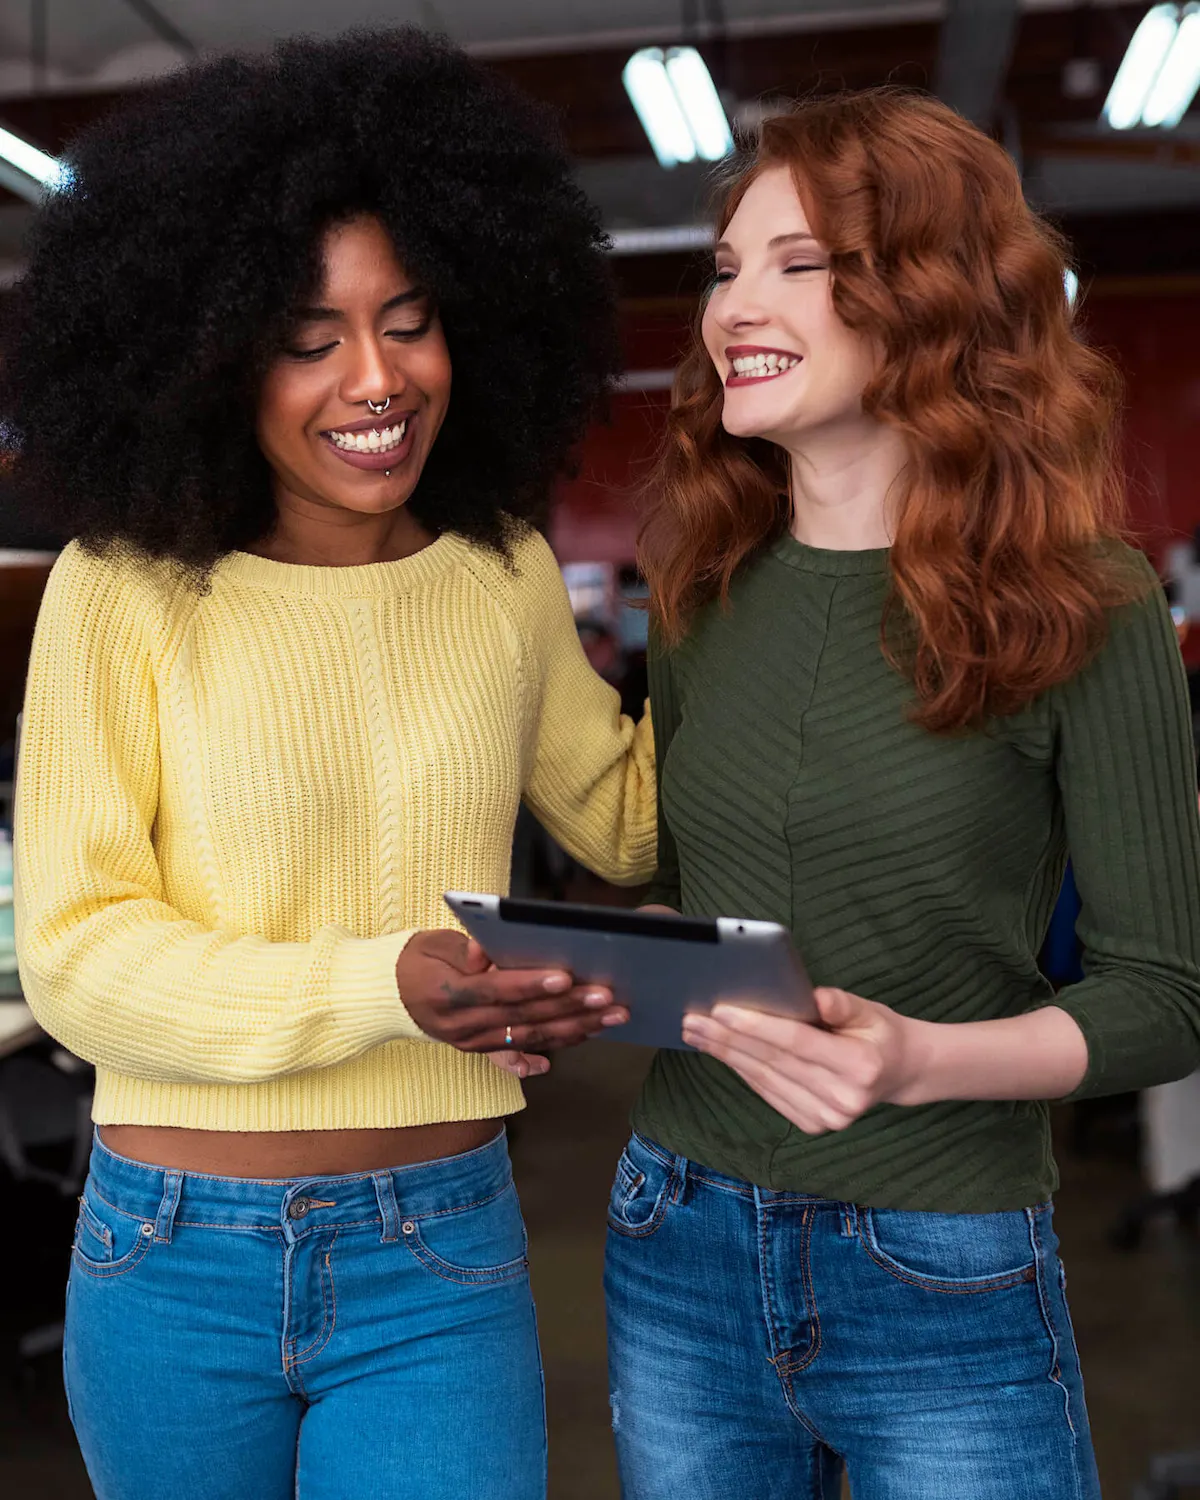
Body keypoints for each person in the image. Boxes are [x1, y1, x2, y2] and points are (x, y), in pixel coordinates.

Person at [6, 30, 655, 1500]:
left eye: (410, 321)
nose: (376, 377)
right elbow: (78, 961)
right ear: (211, 355)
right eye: (308, 340)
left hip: (439, 1249)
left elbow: (627, 824)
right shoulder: (123, 590)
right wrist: (392, 981)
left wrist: (773, 602)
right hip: (173, 1258)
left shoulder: (499, 574)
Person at [609, 88, 1200, 1500]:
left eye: (798, 265)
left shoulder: (1088, 606)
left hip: (939, 1253)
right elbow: (711, 910)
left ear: (929, 297)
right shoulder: (702, 590)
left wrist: (917, 1060)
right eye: (726, 266)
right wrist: (603, 968)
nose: (734, 305)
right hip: (675, 1227)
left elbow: (1165, 996)